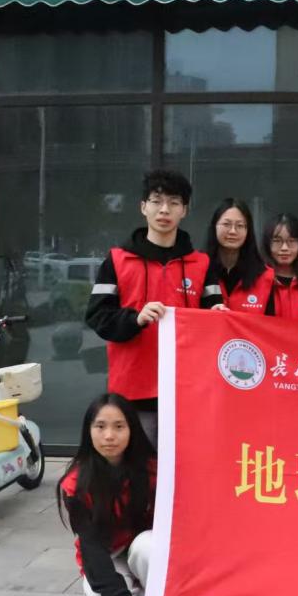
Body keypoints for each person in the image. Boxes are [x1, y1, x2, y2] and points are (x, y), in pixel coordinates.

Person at [86, 170, 224, 448]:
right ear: (143, 207)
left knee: (187, 467)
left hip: (188, 389)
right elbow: (97, 317)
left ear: (184, 210)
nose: (164, 210)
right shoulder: (117, 260)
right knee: (138, 468)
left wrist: (219, 316)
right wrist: (135, 318)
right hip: (133, 392)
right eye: (156, 201)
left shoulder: (202, 264)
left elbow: (213, 319)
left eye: (174, 202)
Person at [57, 393, 191, 596]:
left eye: (119, 426)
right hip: (108, 553)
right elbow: (91, 548)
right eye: (100, 426)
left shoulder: (154, 471)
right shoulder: (76, 484)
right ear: (88, 431)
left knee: (148, 545)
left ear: (132, 430)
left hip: (143, 547)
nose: (109, 436)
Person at [206, 199, 270, 315]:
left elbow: (271, 323)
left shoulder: (266, 277)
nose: (233, 231)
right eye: (226, 224)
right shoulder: (199, 269)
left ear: (248, 230)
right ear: (214, 226)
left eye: (240, 225)